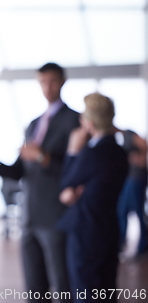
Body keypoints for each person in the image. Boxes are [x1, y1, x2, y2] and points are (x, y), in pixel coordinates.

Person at [0, 63, 79, 302]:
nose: (47, 87)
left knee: (61, 282)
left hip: (55, 213)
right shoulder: (34, 124)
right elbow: (19, 170)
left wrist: (42, 157)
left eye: (52, 81)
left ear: (63, 82)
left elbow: (74, 171)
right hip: (30, 215)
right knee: (34, 287)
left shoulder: (74, 121)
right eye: (43, 82)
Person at [58, 93, 128, 302]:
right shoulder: (119, 152)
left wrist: (72, 151)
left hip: (86, 233)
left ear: (89, 123)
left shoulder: (91, 154)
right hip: (109, 229)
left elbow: (65, 184)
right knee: (106, 291)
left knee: (86, 292)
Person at [116, 128, 148, 255]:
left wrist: (139, 159)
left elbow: (144, 145)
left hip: (136, 177)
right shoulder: (123, 138)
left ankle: (142, 244)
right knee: (125, 210)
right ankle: (124, 242)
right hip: (130, 177)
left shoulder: (130, 134)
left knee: (136, 211)